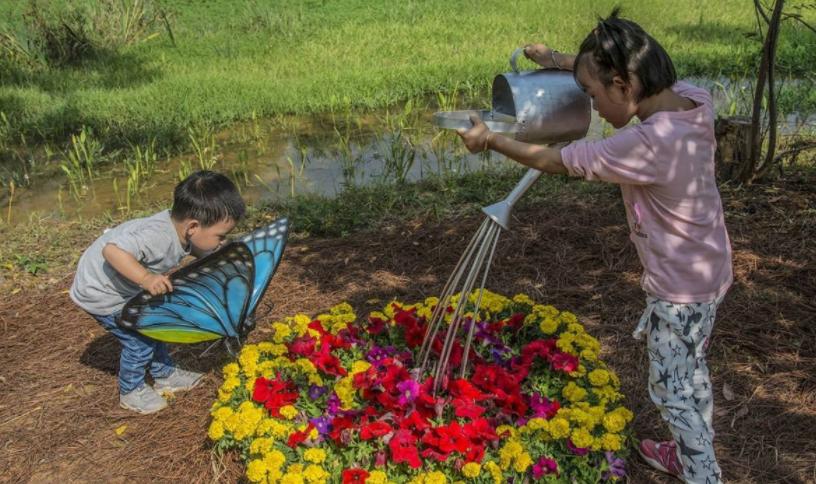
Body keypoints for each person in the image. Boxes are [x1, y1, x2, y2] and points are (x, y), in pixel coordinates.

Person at [456, 8, 732, 484]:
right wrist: (560, 60)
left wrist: (493, 141)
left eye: (592, 93)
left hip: (678, 291)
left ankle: (703, 475)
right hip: (708, 272)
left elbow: (560, 160)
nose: (594, 107)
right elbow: (630, 74)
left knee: (670, 391)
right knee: (691, 370)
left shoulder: (648, 143)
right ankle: (687, 453)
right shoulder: (692, 101)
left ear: (624, 86)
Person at [70, 170, 245, 414]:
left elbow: (194, 249)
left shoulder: (180, 229)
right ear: (193, 227)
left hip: (122, 287)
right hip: (101, 293)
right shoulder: (158, 237)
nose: (221, 242)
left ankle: (164, 374)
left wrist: (215, 255)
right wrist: (145, 278)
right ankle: (131, 391)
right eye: (220, 236)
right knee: (140, 342)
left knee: (155, 323)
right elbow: (112, 251)